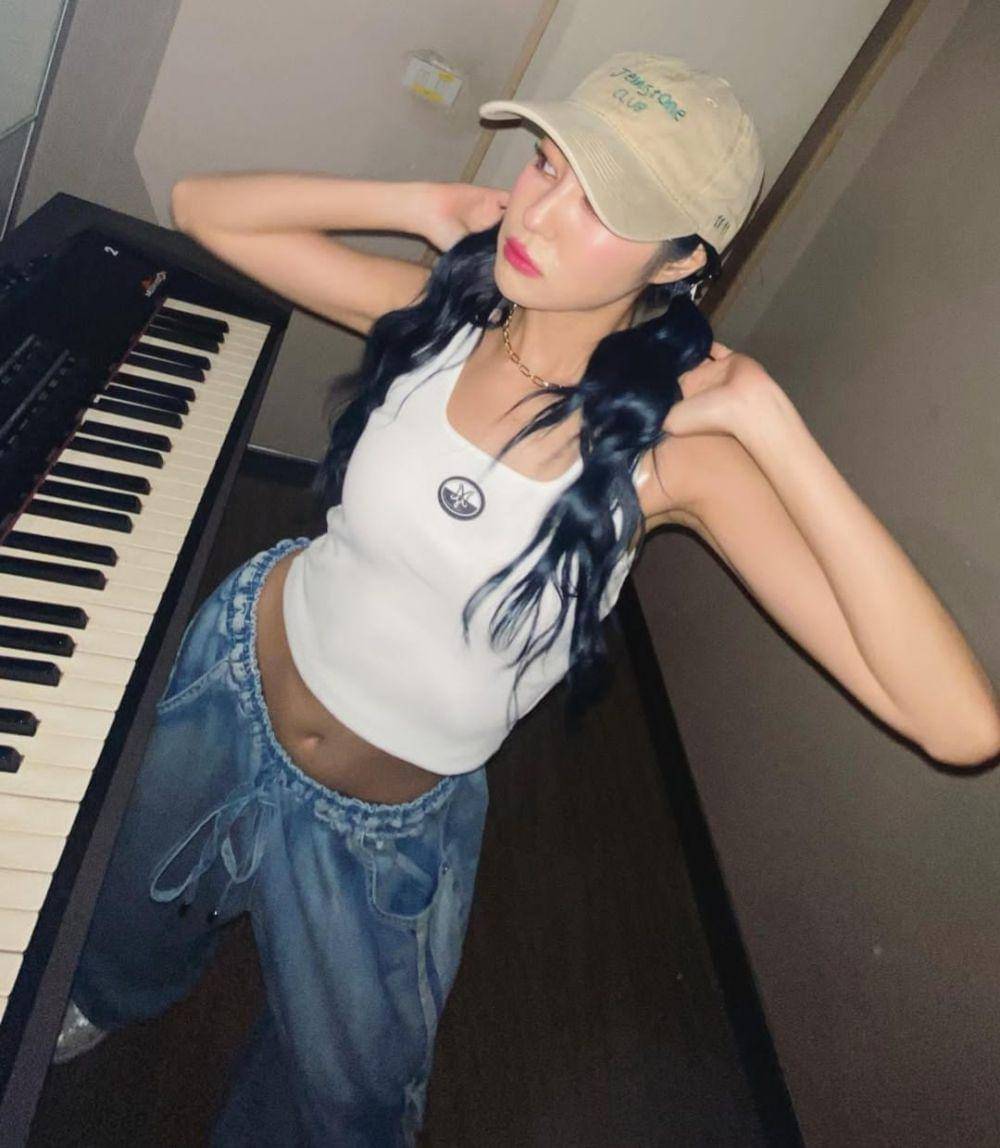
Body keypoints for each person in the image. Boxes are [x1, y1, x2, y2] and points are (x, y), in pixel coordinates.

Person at [53, 48, 1000, 1147]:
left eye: (601, 203)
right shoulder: (443, 313)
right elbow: (202, 207)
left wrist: (770, 422)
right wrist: (418, 203)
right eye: (548, 161)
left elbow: (959, 724)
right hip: (230, 684)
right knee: (122, 905)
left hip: (378, 829)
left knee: (347, 1100)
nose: (541, 211)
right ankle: (110, 993)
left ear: (682, 257)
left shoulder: (673, 456)